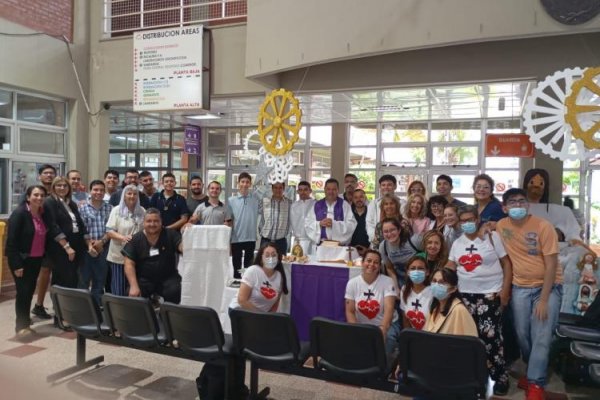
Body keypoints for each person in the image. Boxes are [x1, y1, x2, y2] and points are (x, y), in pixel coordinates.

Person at [496, 188, 562, 399]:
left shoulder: (544, 226)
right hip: (520, 288)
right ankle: (533, 367)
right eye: (512, 202)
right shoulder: (501, 225)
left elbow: (551, 264)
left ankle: (535, 382)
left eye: (521, 201)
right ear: (504, 208)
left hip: (548, 287)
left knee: (541, 335)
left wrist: (544, 299)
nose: (518, 206)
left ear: (528, 205)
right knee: (523, 334)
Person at [446, 204, 512, 396]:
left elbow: (506, 263)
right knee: (468, 336)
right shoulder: (458, 243)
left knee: (490, 338)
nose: (467, 223)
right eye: (463, 221)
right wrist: (437, 279)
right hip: (465, 295)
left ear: (477, 219)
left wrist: (505, 290)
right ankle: (473, 376)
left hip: (490, 294)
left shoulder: (491, 237)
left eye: (471, 219)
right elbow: (451, 265)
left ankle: (500, 376)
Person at [6, 185, 50, 339]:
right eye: (36, 195)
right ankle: (21, 327)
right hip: (21, 261)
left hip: (36, 259)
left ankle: (25, 323)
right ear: (28, 197)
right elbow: (11, 242)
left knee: (29, 292)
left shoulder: (42, 213)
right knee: (23, 292)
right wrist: (16, 264)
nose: (39, 198)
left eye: (42, 195)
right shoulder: (20, 214)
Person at [122, 208, 183, 303]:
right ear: (143, 222)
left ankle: (169, 317)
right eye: (149, 221)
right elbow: (128, 264)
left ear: (161, 222)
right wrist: (134, 286)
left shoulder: (171, 234)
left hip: (168, 278)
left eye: (156, 221)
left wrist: (189, 232)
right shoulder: (135, 239)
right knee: (132, 293)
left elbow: (182, 246)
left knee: (177, 290)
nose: (152, 224)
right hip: (144, 280)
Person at [345, 249, 399, 355]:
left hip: (388, 324)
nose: (371, 264)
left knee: (385, 347)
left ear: (379, 266)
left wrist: (382, 330)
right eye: (368, 261)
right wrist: (356, 331)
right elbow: (350, 311)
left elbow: (389, 310)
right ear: (362, 262)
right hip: (363, 325)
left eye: (376, 262)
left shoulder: (388, 282)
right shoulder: (352, 283)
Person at [44, 176, 93, 290]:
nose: (62, 188)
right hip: (60, 247)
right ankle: (59, 306)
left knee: (73, 279)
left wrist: (88, 242)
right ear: (53, 187)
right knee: (62, 279)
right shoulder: (49, 202)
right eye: (59, 185)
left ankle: (70, 306)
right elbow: (53, 226)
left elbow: (80, 224)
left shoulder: (71, 203)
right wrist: (66, 247)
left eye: (65, 185)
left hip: (76, 244)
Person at [523, 168, 582, 244]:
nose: (536, 186)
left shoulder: (561, 211)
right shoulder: (518, 209)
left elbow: (573, 232)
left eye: (541, 183)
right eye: (532, 182)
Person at [106, 184, 145, 296]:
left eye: (135, 194)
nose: (132, 196)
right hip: (119, 255)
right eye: (129, 193)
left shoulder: (142, 211)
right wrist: (123, 237)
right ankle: (117, 312)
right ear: (124, 196)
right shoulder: (116, 210)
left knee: (134, 287)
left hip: (137, 256)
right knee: (119, 289)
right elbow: (109, 231)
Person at [78, 180, 112, 306]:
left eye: (101, 190)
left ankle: (97, 310)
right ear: (90, 191)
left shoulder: (110, 208)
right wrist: (89, 245)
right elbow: (81, 228)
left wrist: (102, 242)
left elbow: (111, 229)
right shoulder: (82, 208)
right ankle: (83, 310)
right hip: (86, 249)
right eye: (96, 190)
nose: (98, 192)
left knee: (99, 281)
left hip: (103, 249)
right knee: (83, 281)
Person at [31, 164, 57, 320]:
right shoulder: (35, 193)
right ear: (39, 176)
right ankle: (38, 305)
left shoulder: (56, 193)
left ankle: (55, 304)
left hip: (55, 240)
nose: (49, 175)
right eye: (46, 173)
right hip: (39, 240)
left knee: (51, 273)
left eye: (51, 173)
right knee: (43, 272)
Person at [232, 242, 289, 312]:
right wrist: (261, 316)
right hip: (242, 311)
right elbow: (242, 300)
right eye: (267, 255)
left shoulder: (279, 277)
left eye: (274, 255)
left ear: (278, 258)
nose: (271, 258)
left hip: (261, 318)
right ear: (261, 258)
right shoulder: (253, 271)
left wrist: (269, 318)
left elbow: (275, 305)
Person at [424, 267, 477, 336]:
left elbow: (469, 341)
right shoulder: (434, 307)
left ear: (453, 288)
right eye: (434, 281)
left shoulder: (459, 310)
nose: (436, 285)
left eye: (442, 282)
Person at [306, 178, 357, 248]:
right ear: (324, 190)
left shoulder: (344, 205)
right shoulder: (317, 205)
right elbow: (308, 223)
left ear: (338, 190)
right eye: (328, 189)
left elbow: (351, 224)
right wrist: (319, 224)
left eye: (334, 189)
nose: (331, 192)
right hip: (321, 246)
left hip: (339, 247)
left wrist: (334, 224)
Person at [228, 172, 259, 279]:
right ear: (238, 183)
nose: (245, 184)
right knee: (236, 265)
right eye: (242, 182)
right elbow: (228, 220)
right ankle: (237, 281)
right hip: (236, 238)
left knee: (248, 266)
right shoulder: (231, 201)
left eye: (247, 182)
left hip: (250, 237)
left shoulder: (256, 200)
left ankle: (246, 283)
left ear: (250, 184)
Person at [379, 217, 422, 290]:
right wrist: (396, 287)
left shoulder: (414, 240)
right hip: (400, 277)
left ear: (399, 230)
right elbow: (389, 268)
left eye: (392, 230)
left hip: (418, 275)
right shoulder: (383, 247)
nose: (389, 234)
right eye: (385, 231)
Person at [258, 182, 292, 255]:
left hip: (281, 242)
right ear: (272, 189)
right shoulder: (264, 201)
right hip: (265, 241)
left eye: (280, 188)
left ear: (283, 189)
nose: (278, 190)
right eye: (275, 188)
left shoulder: (289, 203)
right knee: (263, 264)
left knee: (281, 265)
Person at [400, 255, 433, 330]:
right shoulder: (404, 290)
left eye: (420, 268)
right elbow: (405, 319)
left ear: (427, 272)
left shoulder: (433, 291)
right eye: (413, 268)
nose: (416, 271)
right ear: (408, 272)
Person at [366, 174, 402, 243]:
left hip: (397, 241)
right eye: (383, 185)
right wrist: (377, 239)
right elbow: (369, 224)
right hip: (377, 241)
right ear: (380, 187)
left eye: (389, 185)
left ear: (395, 186)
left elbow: (403, 222)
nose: (386, 187)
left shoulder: (402, 203)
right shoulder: (373, 204)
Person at [290, 180, 316, 255]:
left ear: (310, 191)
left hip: (311, 240)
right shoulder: (293, 206)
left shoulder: (316, 204)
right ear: (298, 192)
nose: (303, 192)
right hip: (298, 241)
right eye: (300, 190)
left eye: (305, 190)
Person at [350, 188, 370, 256]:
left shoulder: (371, 212)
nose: (358, 200)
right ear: (352, 200)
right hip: (350, 250)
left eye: (361, 197)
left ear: (365, 198)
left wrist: (369, 249)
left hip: (368, 250)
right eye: (355, 197)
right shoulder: (348, 212)